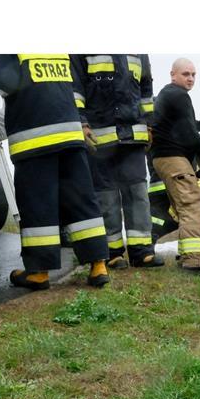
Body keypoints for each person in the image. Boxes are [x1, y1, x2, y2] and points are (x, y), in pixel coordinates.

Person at [0, 54, 110, 290]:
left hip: (34, 139)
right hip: (71, 136)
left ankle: (39, 273)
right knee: (82, 202)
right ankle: (98, 266)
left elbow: (6, 84)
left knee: (38, 207)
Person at [75, 54, 163, 270]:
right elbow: (75, 89)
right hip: (99, 138)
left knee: (138, 193)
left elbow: (146, 89)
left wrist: (149, 124)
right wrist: (82, 122)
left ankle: (141, 251)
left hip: (132, 136)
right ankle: (112, 253)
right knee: (106, 196)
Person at [150, 58, 200, 275]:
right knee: (192, 206)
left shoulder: (168, 95)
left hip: (163, 158)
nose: (190, 78)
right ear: (173, 74)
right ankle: (194, 264)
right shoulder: (179, 95)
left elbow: (184, 127)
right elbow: (188, 134)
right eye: (186, 74)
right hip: (174, 158)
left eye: (193, 75)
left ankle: (182, 255)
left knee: (179, 211)